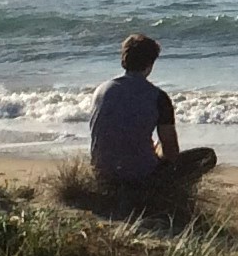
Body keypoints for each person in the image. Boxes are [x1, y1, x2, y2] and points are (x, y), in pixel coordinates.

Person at [89, 33, 216, 193]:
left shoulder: (101, 90)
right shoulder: (158, 97)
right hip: (140, 179)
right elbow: (171, 152)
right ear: (150, 64)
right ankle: (174, 197)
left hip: (103, 175)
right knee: (207, 156)